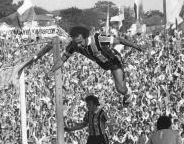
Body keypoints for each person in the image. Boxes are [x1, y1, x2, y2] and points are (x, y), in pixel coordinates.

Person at [12, 26, 145, 106]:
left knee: (120, 89)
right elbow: (63, 59)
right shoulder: (73, 45)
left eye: (80, 42)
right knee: (119, 87)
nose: (79, 45)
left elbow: (120, 40)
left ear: (85, 37)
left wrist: (136, 46)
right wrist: (52, 71)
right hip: (102, 63)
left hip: (113, 61)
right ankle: (125, 89)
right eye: (76, 42)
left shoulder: (99, 39)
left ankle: (128, 94)